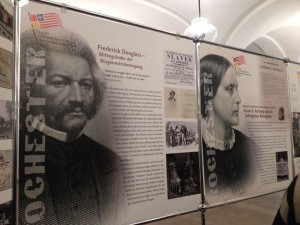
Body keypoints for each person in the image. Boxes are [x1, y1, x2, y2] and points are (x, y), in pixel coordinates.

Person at [18, 29, 122, 225]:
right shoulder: (10, 158)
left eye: (85, 84)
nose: (77, 98)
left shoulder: (112, 162)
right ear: (31, 88)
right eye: (60, 82)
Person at [200, 54, 254, 196]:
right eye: (230, 89)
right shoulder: (196, 155)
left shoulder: (249, 147)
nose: (239, 99)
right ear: (208, 95)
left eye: (236, 88)